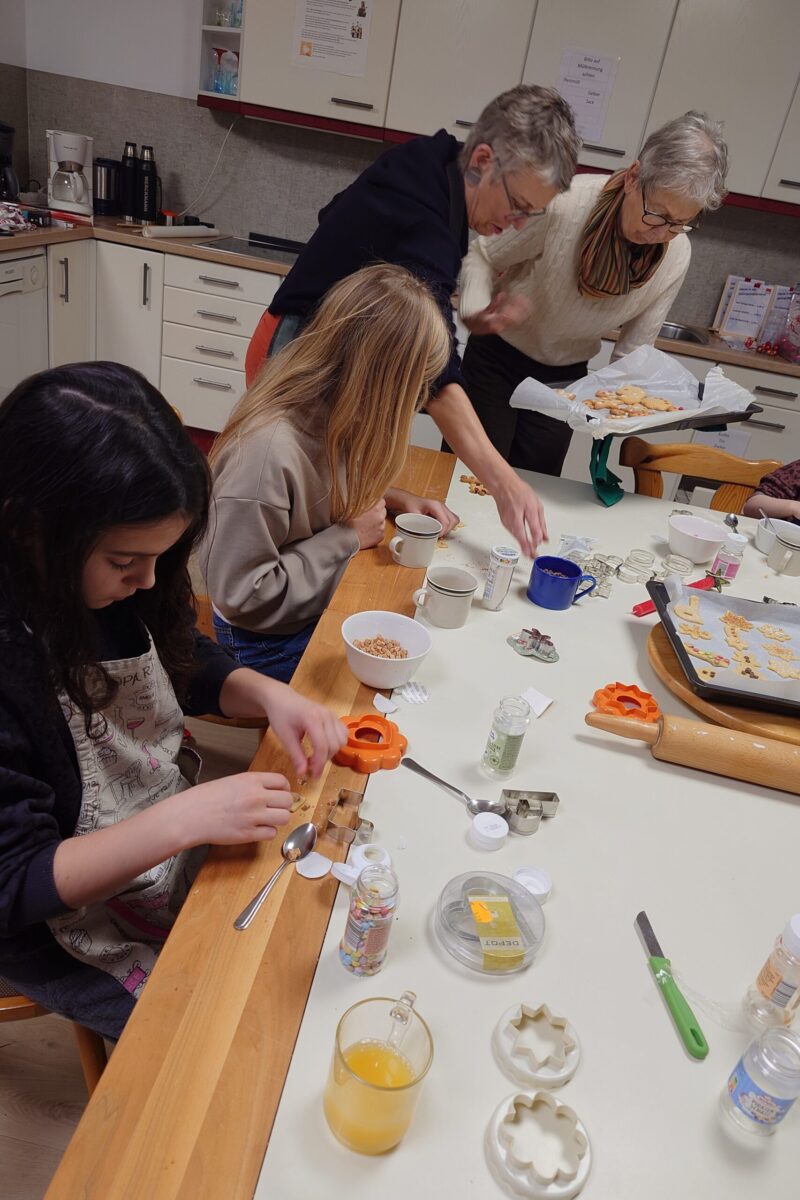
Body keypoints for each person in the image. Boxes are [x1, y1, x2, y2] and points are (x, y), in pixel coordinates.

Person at [0, 363, 347, 1040]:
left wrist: (262, 692)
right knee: (213, 1039)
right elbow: (15, 882)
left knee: (292, 948)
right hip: (55, 919)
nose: (149, 579)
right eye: (126, 563)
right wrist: (182, 821)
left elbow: (173, 648)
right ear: (30, 530)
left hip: (153, 823)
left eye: (162, 558)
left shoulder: (127, 575)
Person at [244, 85, 582, 555]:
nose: (519, 223)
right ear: (482, 159)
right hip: (291, 356)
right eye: (519, 206)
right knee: (293, 522)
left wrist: (383, 497)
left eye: (533, 213)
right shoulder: (424, 212)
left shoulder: (434, 160)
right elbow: (437, 374)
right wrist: (506, 484)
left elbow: (338, 213)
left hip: (319, 355)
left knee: (330, 497)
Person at [202, 264, 456, 681]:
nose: (420, 401)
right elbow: (243, 597)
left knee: (419, 626)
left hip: (299, 611)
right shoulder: (265, 455)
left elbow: (324, 483)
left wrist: (396, 498)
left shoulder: (330, 414)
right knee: (411, 674)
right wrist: (347, 538)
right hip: (262, 643)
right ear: (381, 386)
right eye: (417, 388)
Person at [458, 111, 729, 476]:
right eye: (657, 214)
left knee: (538, 486)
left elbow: (633, 355)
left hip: (566, 380)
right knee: (472, 479)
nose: (661, 232)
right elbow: (484, 255)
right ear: (634, 177)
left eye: (679, 223)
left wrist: (627, 411)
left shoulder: (675, 254)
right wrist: (476, 309)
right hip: (496, 359)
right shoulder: (565, 206)